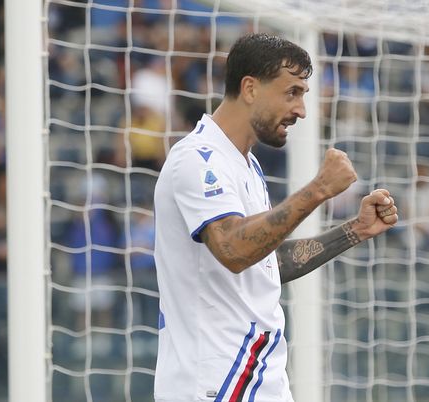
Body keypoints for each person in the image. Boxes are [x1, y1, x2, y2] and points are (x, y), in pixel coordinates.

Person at [153, 33, 399, 401]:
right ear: (250, 88)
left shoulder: (246, 166)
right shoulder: (198, 159)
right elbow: (233, 250)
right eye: (292, 92)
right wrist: (318, 189)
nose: (301, 110)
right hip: (215, 381)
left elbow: (265, 262)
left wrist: (354, 231)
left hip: (256, 377)